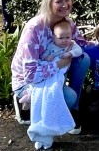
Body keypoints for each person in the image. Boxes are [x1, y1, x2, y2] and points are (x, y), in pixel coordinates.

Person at [11, 0, 92, 129]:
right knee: (69, 98)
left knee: (83, 58)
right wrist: (59, 64)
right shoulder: (34, 29)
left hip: (52, 76)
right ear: (49, 3)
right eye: (59, 1)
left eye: (67, 0)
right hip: (29, 82)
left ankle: (74, 109)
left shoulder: (67, 23)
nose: (65, 5)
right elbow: (30, 75)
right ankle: (24, 102)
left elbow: (84, 45)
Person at [24, 19, 84, 149]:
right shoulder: (51, 45)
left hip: (58, 73)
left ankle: (46, 127)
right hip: (49, 68)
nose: (64, 40)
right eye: (61, 38)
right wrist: (46, 57)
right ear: (54, 37)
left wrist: (70, 53)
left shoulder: (72, 45)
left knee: (52, 89)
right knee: (40, 87)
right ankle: (30, 93)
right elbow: (45, 54)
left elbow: (79, 51)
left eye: (67, 37)